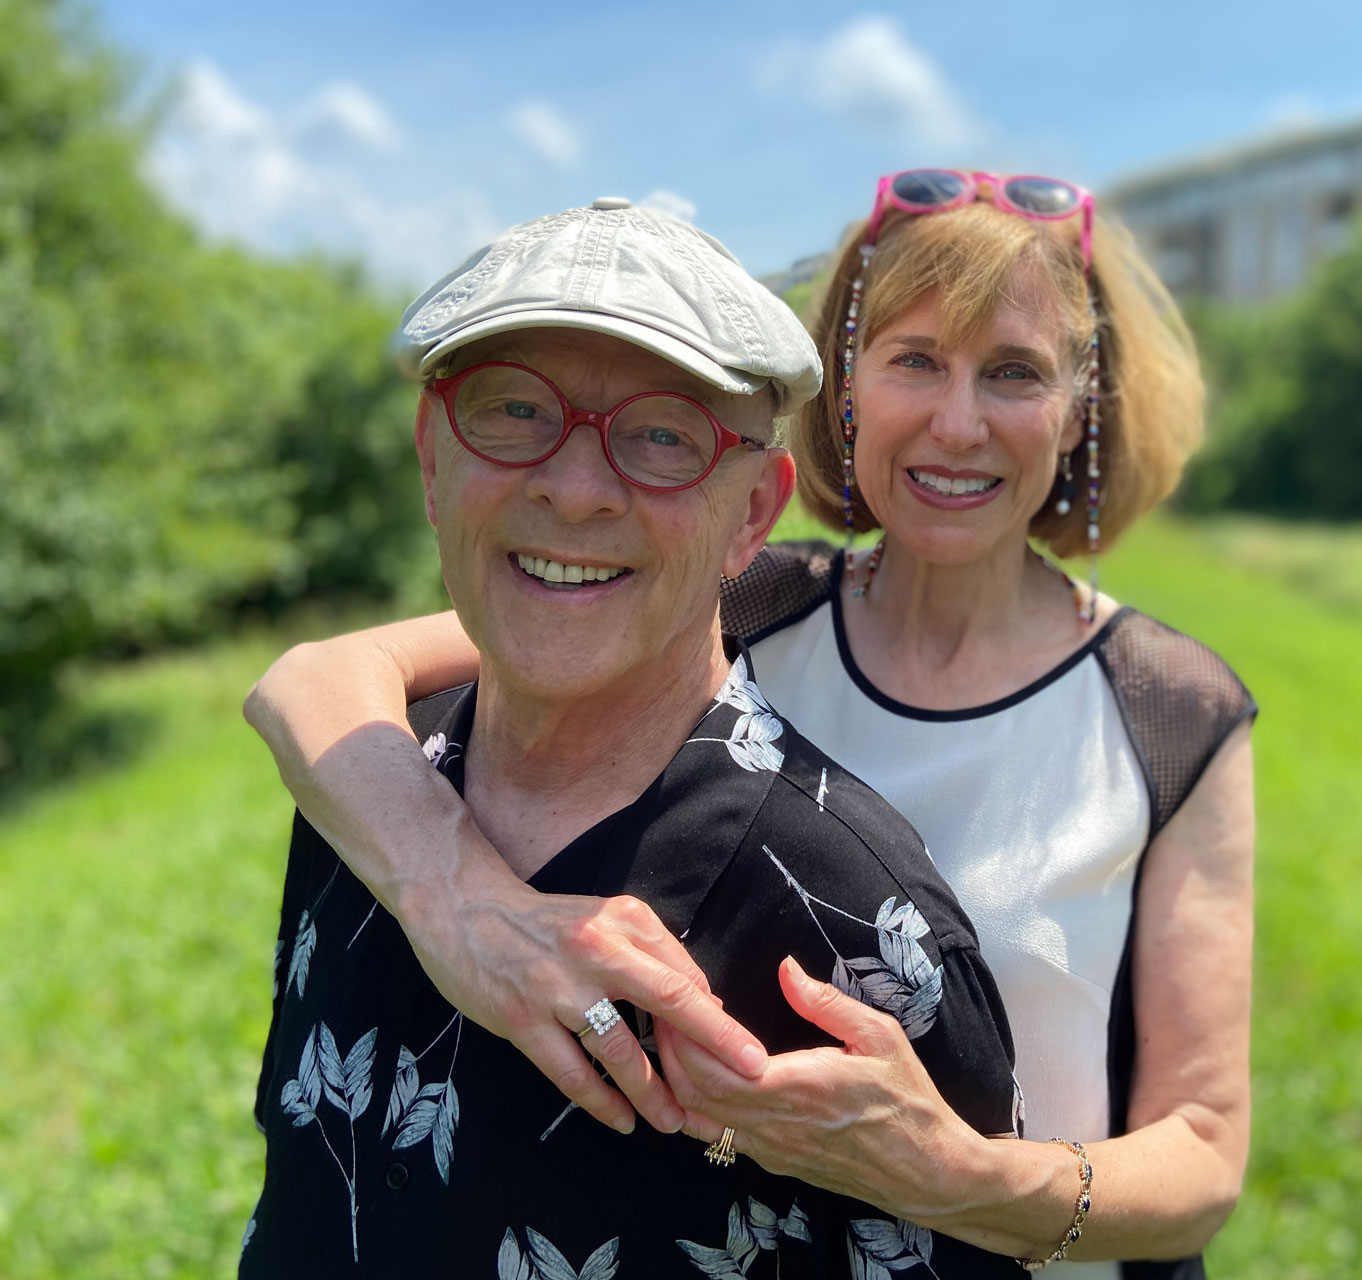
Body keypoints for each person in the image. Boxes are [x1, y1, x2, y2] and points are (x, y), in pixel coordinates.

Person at [248, 171, 1256, 1278]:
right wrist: (458, 894)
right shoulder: (744, 590)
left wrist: (957, 1175)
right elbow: (324, 677)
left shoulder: (1167, 707)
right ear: (848, 387)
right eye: (916, 360)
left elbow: (1205, 1152)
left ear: (1080, 405)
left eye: (1014, 372)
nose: (958, 422)